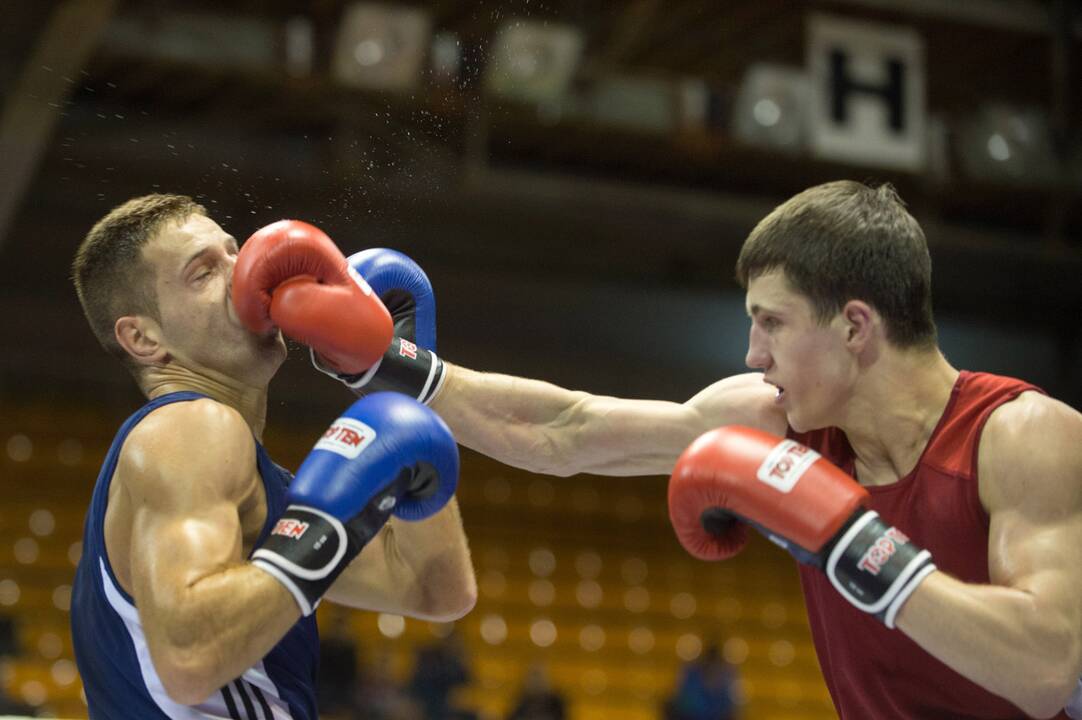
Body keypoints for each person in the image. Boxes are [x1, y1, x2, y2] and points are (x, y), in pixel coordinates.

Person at [316, 181, 1082, 719]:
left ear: (855, 326)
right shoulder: (776, 423)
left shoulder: (1023, 436)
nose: (753, 354)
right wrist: (401, 368)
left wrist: (853, 543)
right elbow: (568, 430)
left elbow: (1045, 670)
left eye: (772, 323)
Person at [68, 195, 477, 719]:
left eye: (235, 253)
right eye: (203, 273)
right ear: (143, 338)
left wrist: (398, 382)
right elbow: (189, 657)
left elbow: (434, 588)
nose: (246, 276)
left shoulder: (250, 478)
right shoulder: (189, 427)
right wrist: (319, 531)